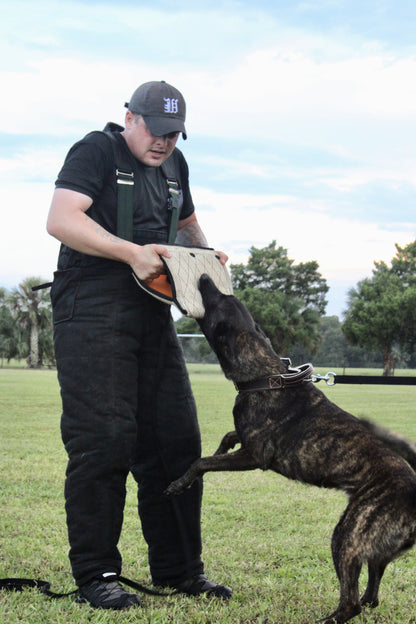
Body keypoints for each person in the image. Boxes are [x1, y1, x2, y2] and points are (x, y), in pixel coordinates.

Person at [46, 80, 232, 610]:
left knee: (176, 443)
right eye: (155, 130)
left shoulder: (176, 166)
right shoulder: (95, 150)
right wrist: (131, 253)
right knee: (103, 439)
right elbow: (61, 219)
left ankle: (180, 572)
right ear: (130, 117)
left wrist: (207, 256)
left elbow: (190, 223)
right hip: (92, 304)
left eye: (175, 135)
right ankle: (97, 575)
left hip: (153, 308)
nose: (164, 144)